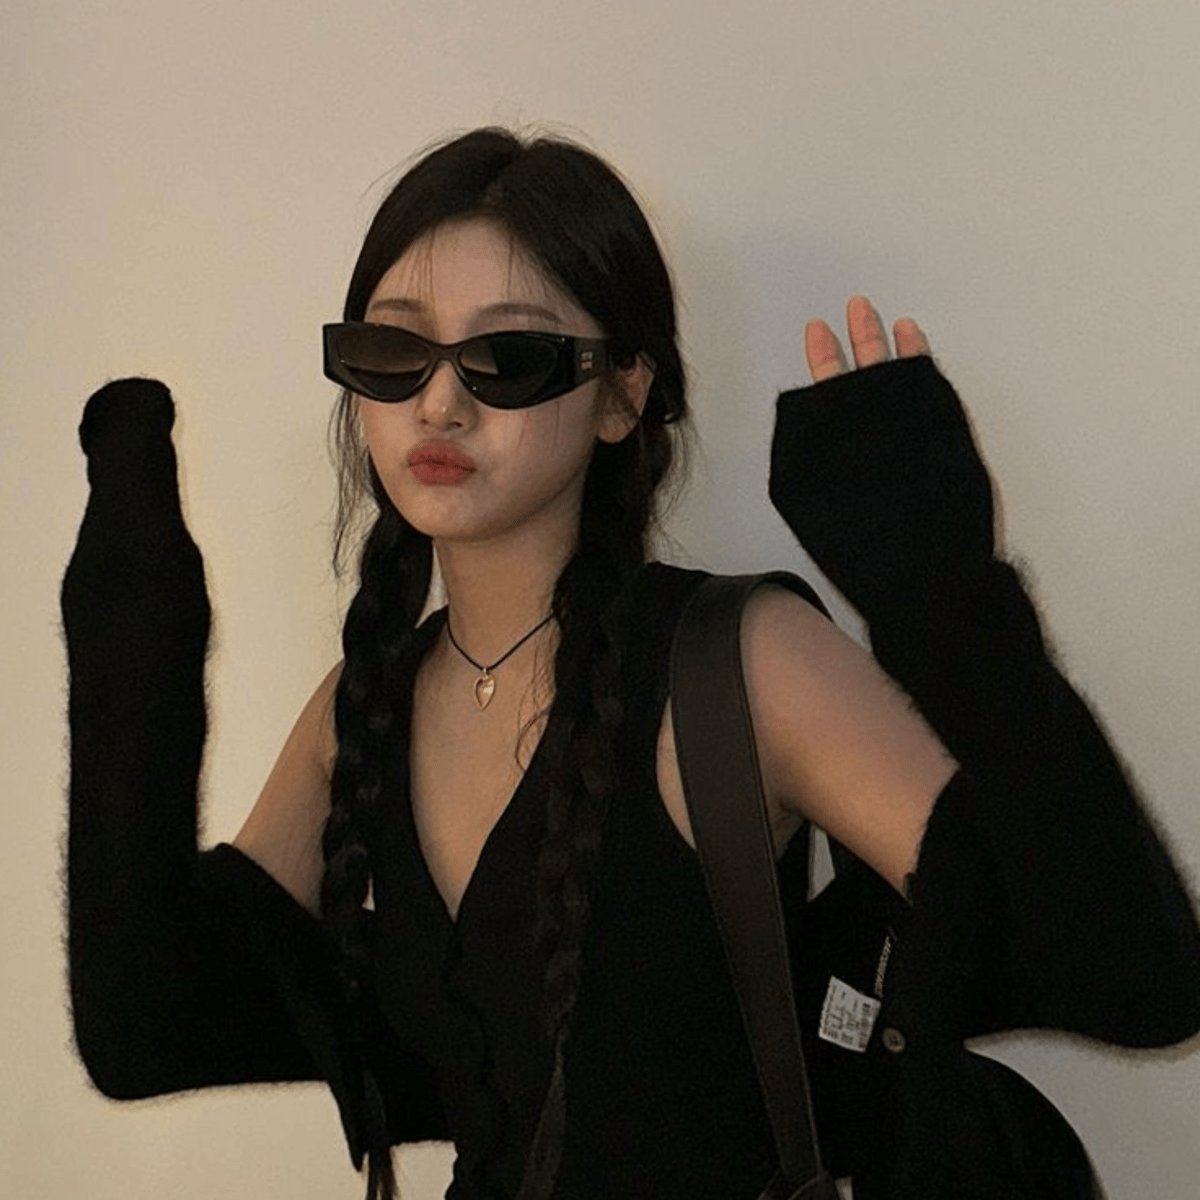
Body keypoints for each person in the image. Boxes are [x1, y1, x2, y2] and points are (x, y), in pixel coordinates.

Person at [62, 127, 1200, 1200]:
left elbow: (1132, 975)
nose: (439, 402)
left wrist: (942, 595)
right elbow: (148, 1030)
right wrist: (133, 636)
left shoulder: (740, 666)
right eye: (395, 351)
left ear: (623, 395)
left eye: (508, 356)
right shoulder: (364, 708)